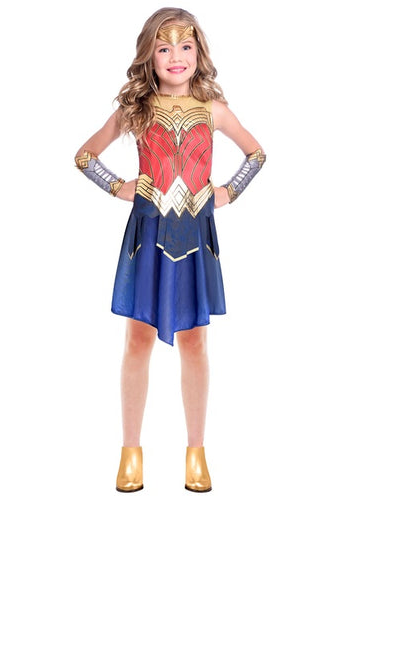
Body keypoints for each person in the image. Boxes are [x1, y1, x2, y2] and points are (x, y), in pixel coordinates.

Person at [75, 7, 265, 493]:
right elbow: (85, 156)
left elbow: (256, 153)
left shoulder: (213, 109)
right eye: (164, 47)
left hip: (195, 236)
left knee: (195, 340)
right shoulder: (136, 109)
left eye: (185, 46)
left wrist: (228, 192)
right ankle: (130, 452)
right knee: (138, 338)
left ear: (198, 52)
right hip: (147, 234)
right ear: (150, 54)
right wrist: (118, 185)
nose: (176, 56)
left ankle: (196, 452)